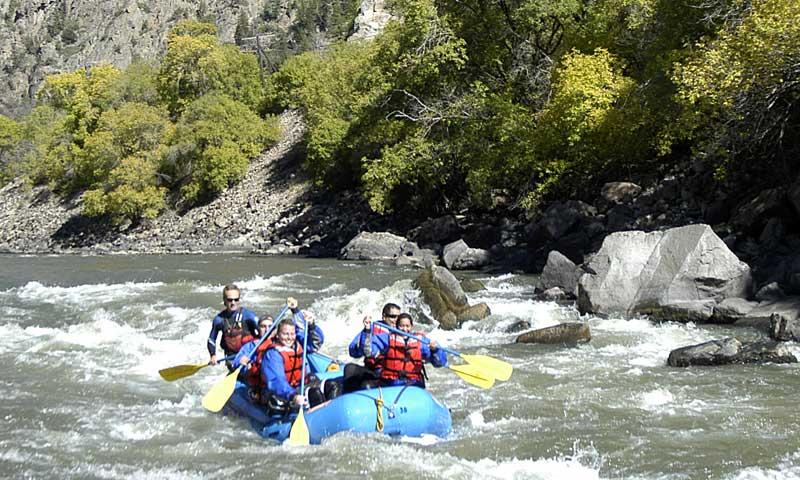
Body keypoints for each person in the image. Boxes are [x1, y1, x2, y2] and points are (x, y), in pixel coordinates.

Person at [261, 318, 326, 414]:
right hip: (283, 393)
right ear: (278, 335)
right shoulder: (273, 354)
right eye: (285, 334)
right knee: (314, 394)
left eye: (292, 334)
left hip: (300, 386)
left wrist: (312, 326)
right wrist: (293, 396)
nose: (289, 338)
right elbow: (276, 381)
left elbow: (316, 342)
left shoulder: (299, 345)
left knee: (331, 386)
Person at [371, 313, 447, 389]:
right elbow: (369, 351)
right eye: (402, 326)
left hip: (413, 384)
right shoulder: (387, 338)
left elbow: (439, 363)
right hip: (390, 383)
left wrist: (435, 350)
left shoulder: (420, 341)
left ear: (411, 326)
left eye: (407, 326)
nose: (404, 329)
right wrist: (367, 331)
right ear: (396, 326)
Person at [344, 303, 401, 392]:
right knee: (349, 369)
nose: (396, 320)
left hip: (391, 374)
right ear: (384, 316)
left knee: (366, 385)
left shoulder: (403, 333)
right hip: (373, 370)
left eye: (398, 317)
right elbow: (353, 351)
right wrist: (362, 344)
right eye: (393, 316)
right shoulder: (371, 329)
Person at [207, 284, 260, 369]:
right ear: (224, 300)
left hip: (249, 357)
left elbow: (264, 333)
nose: (233, 303)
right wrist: (213, 355)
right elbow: (211, 339)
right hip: (231, 359)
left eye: (236, 299)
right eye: (229, 300)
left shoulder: (249, 316)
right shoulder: (219, 320)